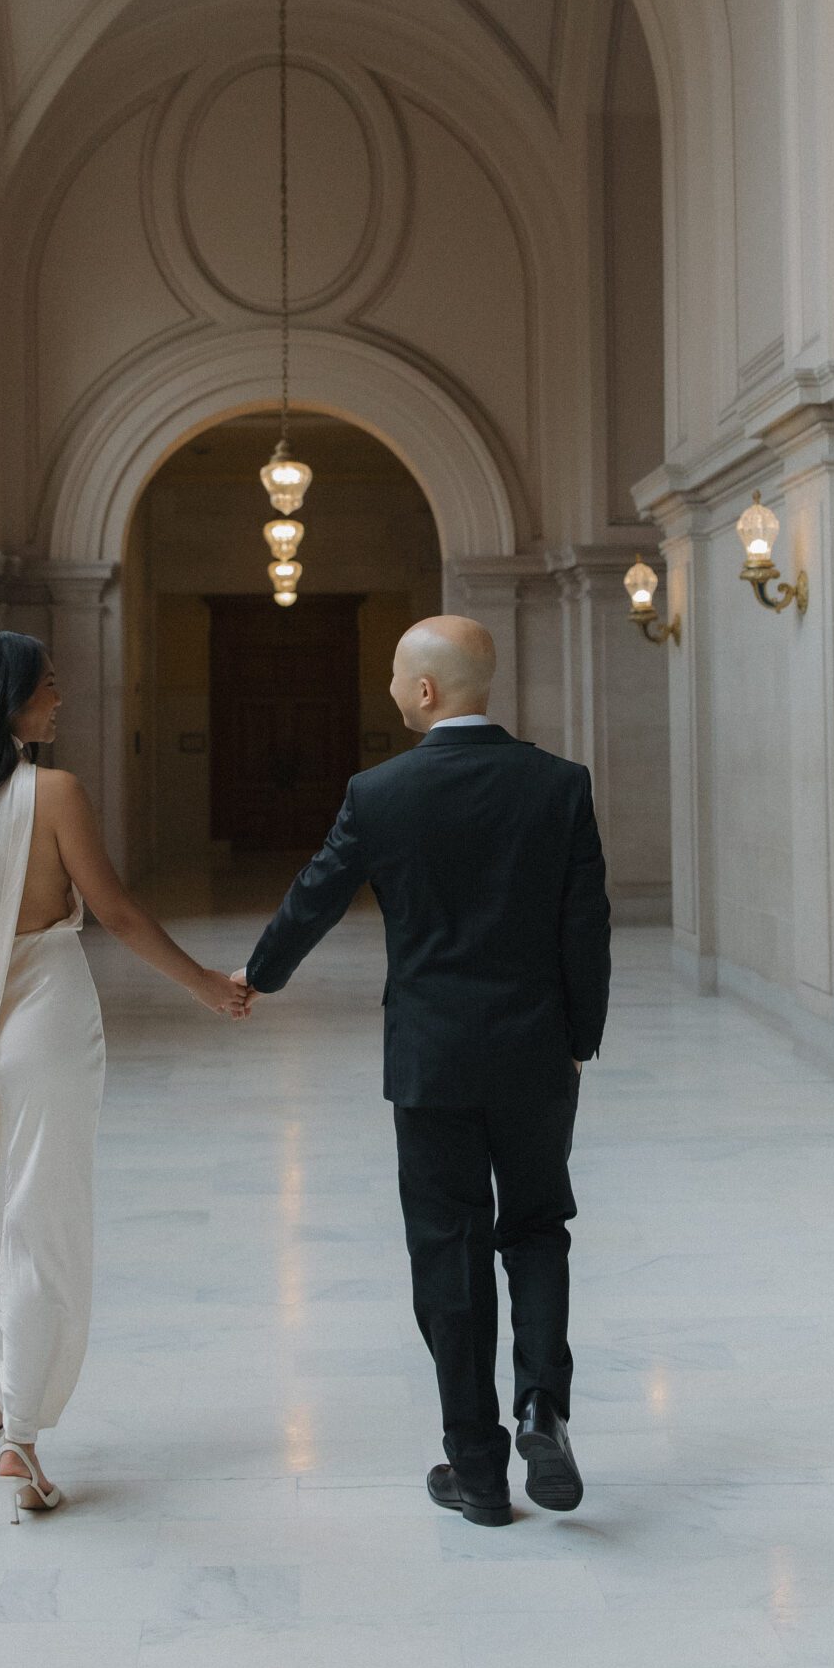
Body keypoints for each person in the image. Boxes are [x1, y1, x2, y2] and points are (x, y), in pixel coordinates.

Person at [236, 615, 610, 1528]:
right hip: (533, 1053)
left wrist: (257, 975)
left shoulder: (381, 793)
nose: (392, 691)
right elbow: (585, 927)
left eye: (400, 677)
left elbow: (315, 896)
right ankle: (542, 1409)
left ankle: (476, 1468)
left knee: (447, 1249)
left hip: (432, 1058)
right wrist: (579, 1039)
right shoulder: (559, 786)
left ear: (431, 690)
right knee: (536, 1227)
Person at [0, 629, 249, 1520]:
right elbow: (117, 912)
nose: (61, 701)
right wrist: (206, 985)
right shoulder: (54, 793)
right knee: (40, 1213)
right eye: (48, 688)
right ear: (7, 700)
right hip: (43, 1009)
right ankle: (20, 1438)